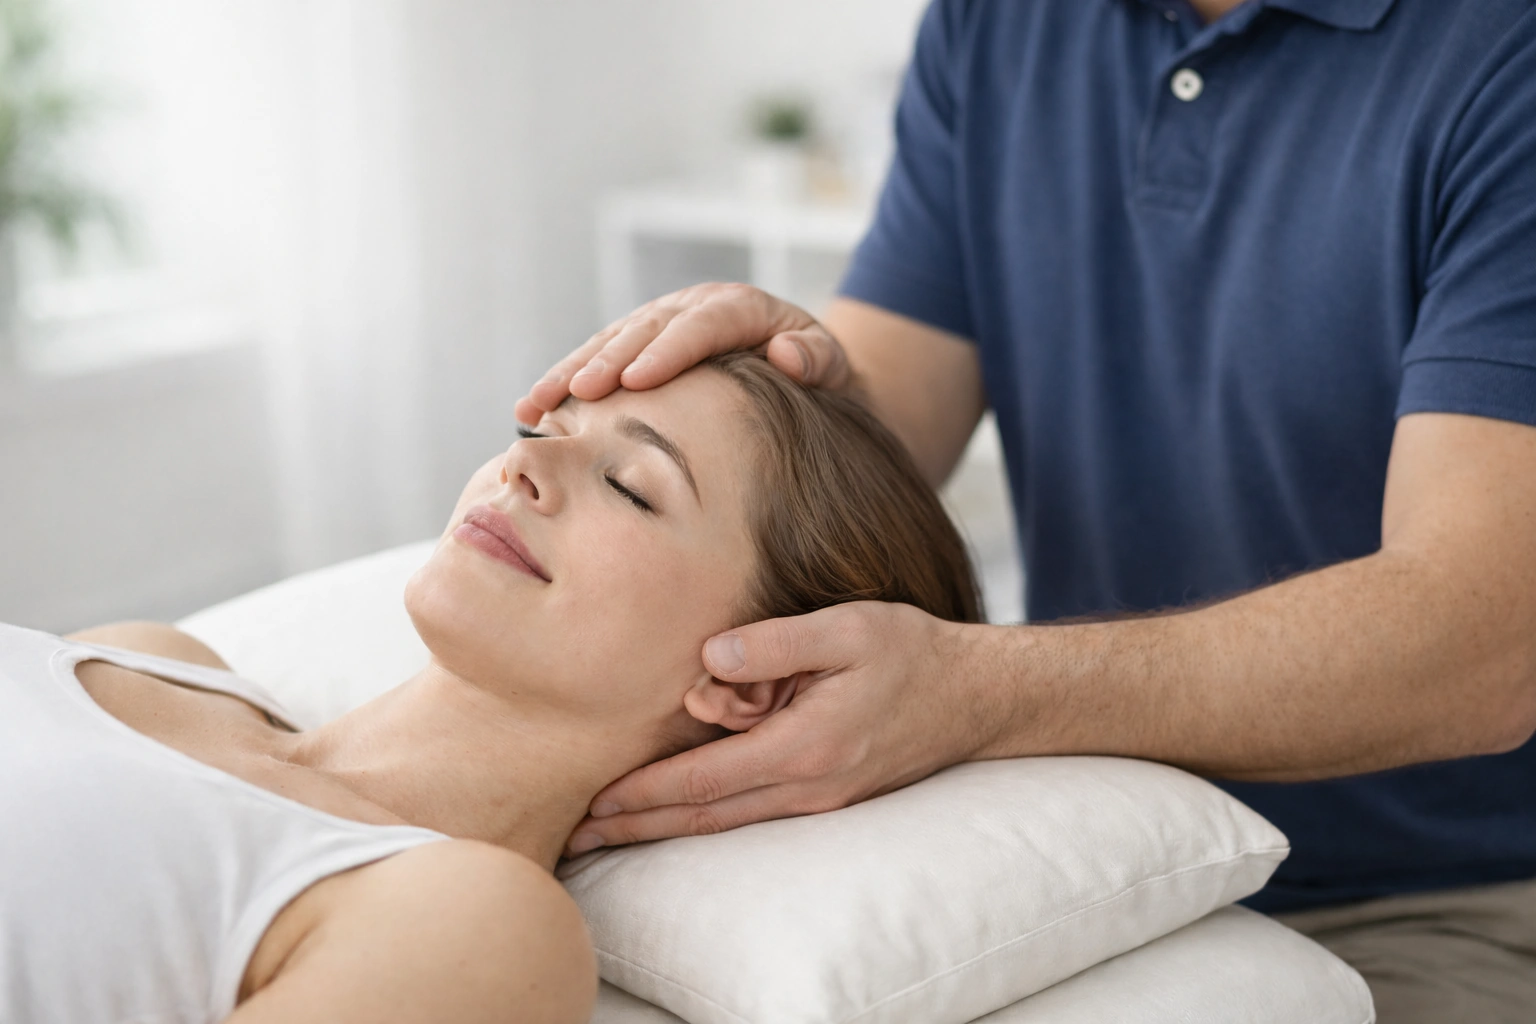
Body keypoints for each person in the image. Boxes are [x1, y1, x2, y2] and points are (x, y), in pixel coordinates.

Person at [518, 1, 1536, 1019]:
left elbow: (1485, 641)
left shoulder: (1500, 58)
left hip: (1438, 896)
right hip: (1082, 844)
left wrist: (978, 691)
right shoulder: (997, 23)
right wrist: (813, 406)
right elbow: (889, 408)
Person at [0, 353, 980, 1024]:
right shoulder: (151, 658)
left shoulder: (472, 924)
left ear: (756, 680)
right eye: (540, 427)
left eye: (631, 485)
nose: (525, 462)